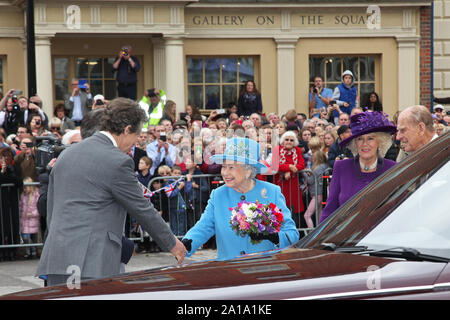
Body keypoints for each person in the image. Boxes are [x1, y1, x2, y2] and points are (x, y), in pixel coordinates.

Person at [36, 98, 186, 286]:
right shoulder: (118, 161)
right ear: (126, 130)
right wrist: (172, 243)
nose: (135, 144)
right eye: (136, 136)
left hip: (56, 257)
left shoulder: (67, 153)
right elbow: (142, 208)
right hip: (91, 261)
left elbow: (52, 205)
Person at [181, 137, 299, 261]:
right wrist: (185, 245)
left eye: (231, 167)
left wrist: (273, 236)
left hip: (265, 269)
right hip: (231, 270)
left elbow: (292, 234)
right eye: (223, 167)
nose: (225, 173)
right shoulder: (218, 195)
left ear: (248, 170)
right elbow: (204, 227)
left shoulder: (271, 192)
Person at [319, 111, 397, 223]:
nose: (365, 144)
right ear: (355, 143)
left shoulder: (392, 168)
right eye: (360, 139)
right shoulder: (342, 167)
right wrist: (319, 238)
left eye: (370, 138)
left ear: (380, 142)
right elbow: (330, 209)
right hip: (347, 237)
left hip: (380, 237)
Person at [272, 131, 306, 228]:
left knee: (294, 212)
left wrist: (290, 171)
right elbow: (275, 166)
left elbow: (301, 164)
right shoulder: (276, 150)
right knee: (280, 209)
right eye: (287, 139)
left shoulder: (297, 151)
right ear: (283, 140)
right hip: (280, 184)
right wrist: (289, 166)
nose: (289, 142)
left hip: (293, 186)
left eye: (291, 140)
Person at [0, 147, 22, 262]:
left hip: (12, 201)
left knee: (12, 226)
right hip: (1, 202)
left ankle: (13, 251)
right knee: (2, 227)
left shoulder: (15, 168)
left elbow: (19, 182)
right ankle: (3, 252)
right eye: (3, 157)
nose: (6, 159)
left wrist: (9, 173)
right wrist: (3, 172)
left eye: (8, 157)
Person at [304, 150, 329, 228]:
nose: (312, 159)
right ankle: (320, 232)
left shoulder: (317, 168)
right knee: (319, 215)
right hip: (322, 193)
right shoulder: (326, 166)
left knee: (307, 215)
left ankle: (312, 233)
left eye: (313, 158)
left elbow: (310, 181)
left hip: (317, 194)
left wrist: (304, 173)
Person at [19, 177, 40, 259]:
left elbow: (38, 209)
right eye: (23, 187)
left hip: (32, 220)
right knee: (26, 238)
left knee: (32, 238)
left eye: (26, 187)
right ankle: (28, 252)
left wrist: (31, 214)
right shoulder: (23, 196)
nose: (24, 189)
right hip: (24, 221)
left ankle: (33, 251)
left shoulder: (36, 195)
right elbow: (21, 207)